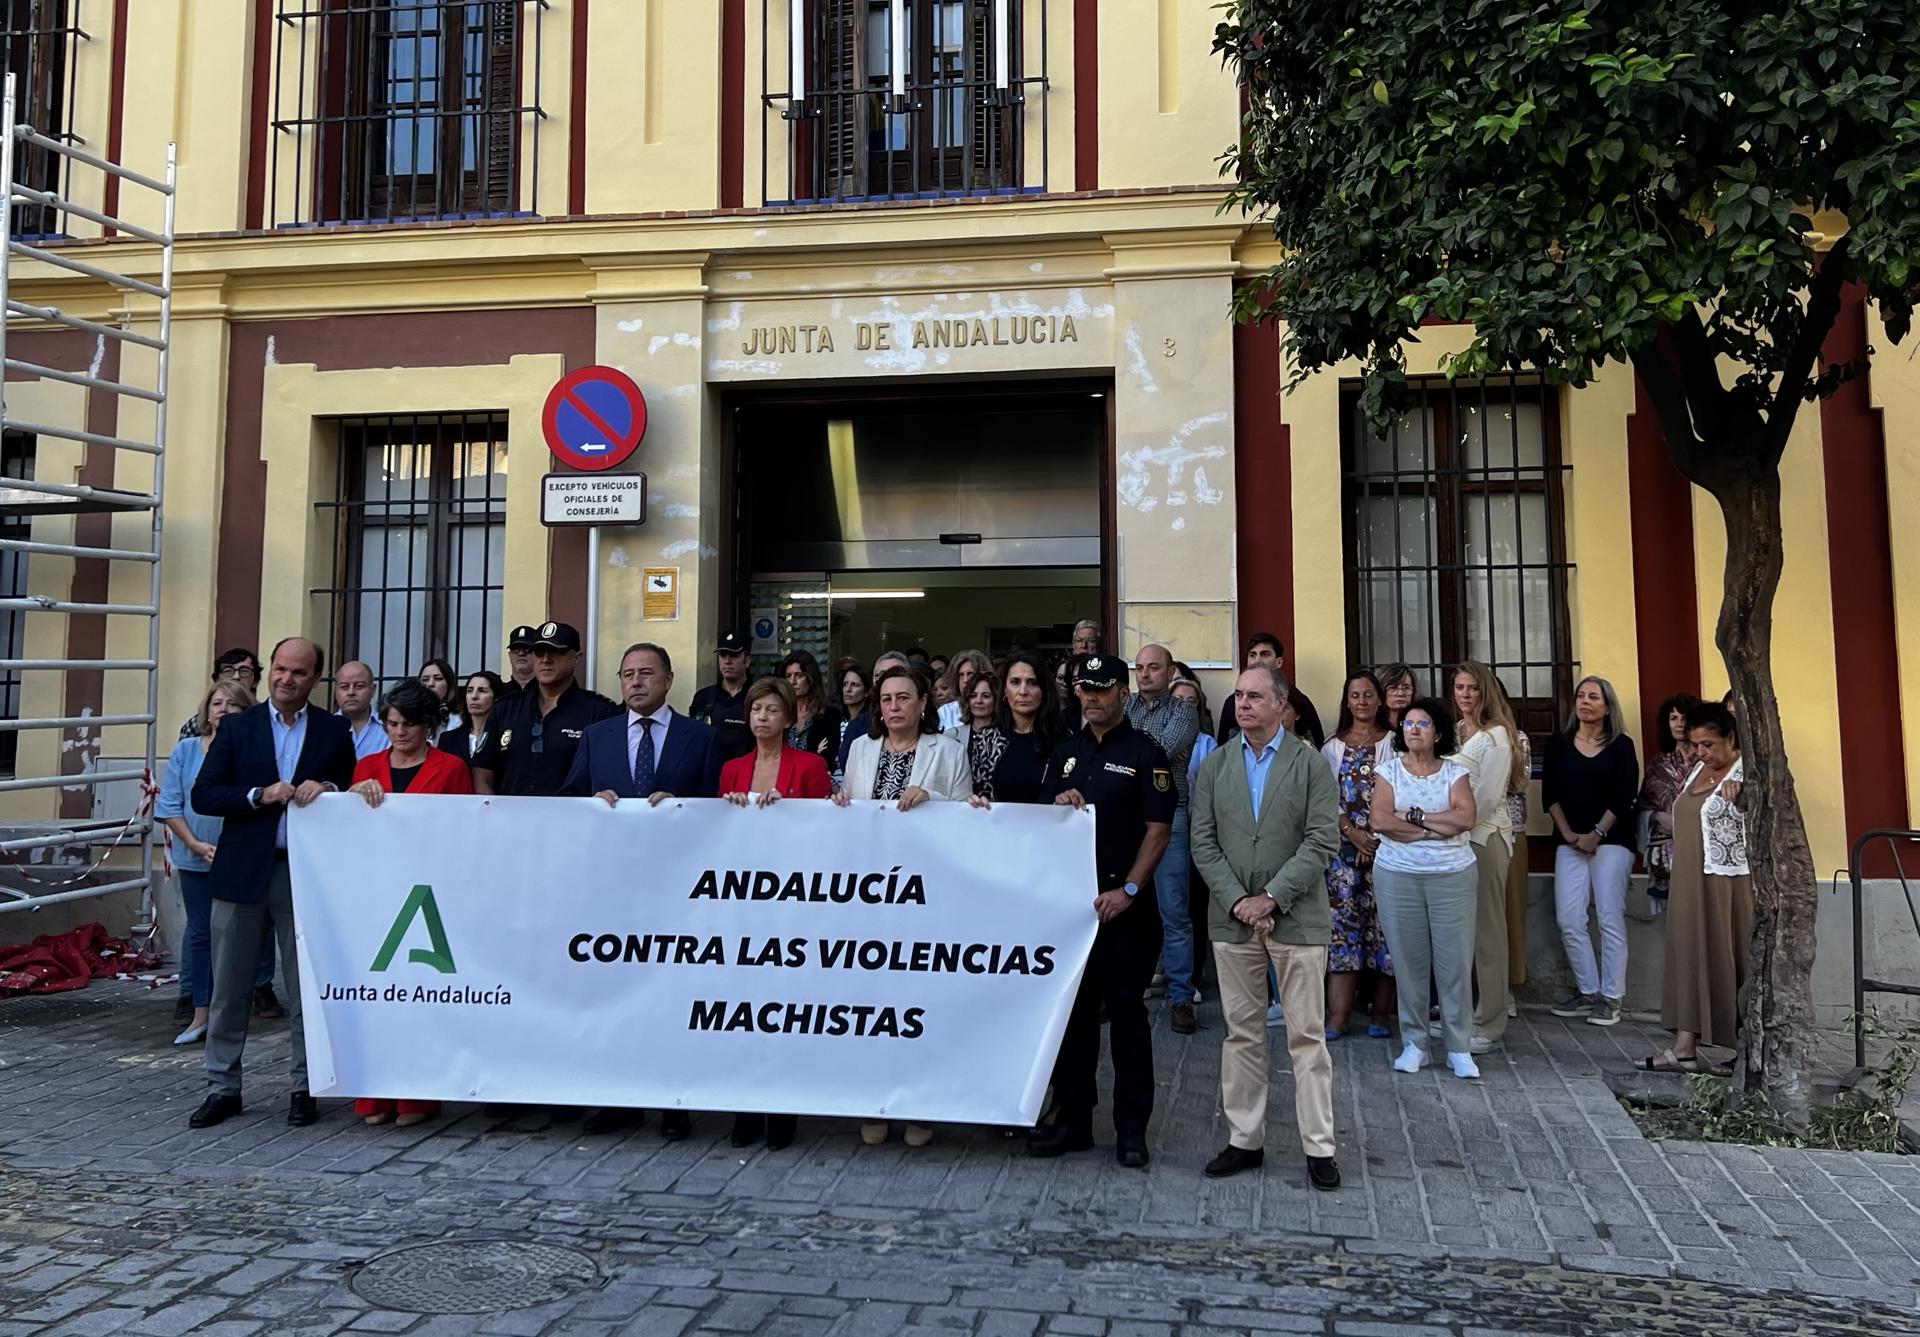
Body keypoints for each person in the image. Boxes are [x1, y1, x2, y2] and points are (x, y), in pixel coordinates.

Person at [186, 637, 357, 1130]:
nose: (286, 679)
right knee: (230, 988)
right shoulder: (238, 727)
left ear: (314, 679)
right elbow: (205, 795)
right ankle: (223, 1088)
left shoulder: (333, 730)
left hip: (305, 874)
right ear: (269, 673)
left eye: (298, 673)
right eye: (280, 669)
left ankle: (305, 1087)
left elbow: (348, 790)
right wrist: (259, 794)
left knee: (305, 989)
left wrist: (328, 790)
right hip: (241, 872)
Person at [1189, 665, 1343, 1189]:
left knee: (1307, 1037)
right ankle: (1244, 1140)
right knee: (1242, 1036)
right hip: (1232, 923)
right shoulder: (1214, 765)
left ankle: (1318, 1147)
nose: (1243, 704)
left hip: (1296, 920)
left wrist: (1272, 897)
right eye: (1238, 696)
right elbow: (1202, 842)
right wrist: (1240, 902)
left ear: (1282, 705)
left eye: (1255, 696)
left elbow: (1323, 841)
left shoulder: (1310, 766)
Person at [561, 640, 719, 1139]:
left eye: (646, 673)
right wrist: (592, 800)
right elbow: (567, 801)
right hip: (613, 890)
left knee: (673, 995)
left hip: (680, 887)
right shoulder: (596, 735)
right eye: (627, 673)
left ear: (668, 679)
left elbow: (720, 809)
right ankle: (620, 1099)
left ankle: (674, 1100)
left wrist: (684, 807)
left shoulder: (702, 737)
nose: (635, 682)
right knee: (617, 995)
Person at [1032, 654, 1173, 1168]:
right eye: (1085, 689)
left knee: (1129, 1020)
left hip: (1123, 911)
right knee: (1073, 1021)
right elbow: (1041, 821)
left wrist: (1130, 890)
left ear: (1122, 691)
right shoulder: (1066, 752)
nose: (1092, 697)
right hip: (1072, 912)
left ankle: (1131, 1130)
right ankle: (1074, 1121)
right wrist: (1058, 803)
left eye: (1103, 689)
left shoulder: (1145, 752)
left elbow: (1158, 830)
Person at [836, 664, 970, 1147]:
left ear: (923, 703)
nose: (894, 707)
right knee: (871, 1005)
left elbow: (966, 820)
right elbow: (850, 812)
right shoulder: (859, 749)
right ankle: (874, 1099)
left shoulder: (949, 750)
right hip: (871, 894)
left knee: (916, 1006)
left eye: (904, 698)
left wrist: (931, 798)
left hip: (925, 894)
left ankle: (919, 1105)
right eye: (887, 699)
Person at [345, 678, 475, 1128]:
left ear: (429, 726)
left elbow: (462, 831)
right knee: (377, 997)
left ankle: (419, 1094)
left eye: (409, 724)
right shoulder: (365, 765)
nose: (399, 732)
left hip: (430, 894)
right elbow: (343, 827)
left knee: (422, 997)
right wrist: (351, 798)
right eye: (392, 723)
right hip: (377, 893)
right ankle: (373, 1095)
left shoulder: (452, 767)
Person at [716, 676, 834, 1152]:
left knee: (785, 1008)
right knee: (743, 1008)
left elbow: (825, 831)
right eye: (755, 710)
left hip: (793, 902)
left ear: (790, 718)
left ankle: (782, 1107)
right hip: (742, 903)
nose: (762, 718)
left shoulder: (810, 766)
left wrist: (790, 812)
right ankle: (745, 1105)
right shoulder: (731, 768)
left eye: (771, 710)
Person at [1368, 697, 1481, 1079]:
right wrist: (1436, 826)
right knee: (1409, 961)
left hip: (1453, 874)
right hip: (1398, 875)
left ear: (1438, 733)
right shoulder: (1388, 772)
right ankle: (1414, 1043)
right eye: (1408, 724)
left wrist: (1414, 819)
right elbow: (1381, 820)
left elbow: (1465, 818)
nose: (1413, 729)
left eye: (1423, 724)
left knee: (1454, 963)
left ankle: (1458, 1047)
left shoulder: (1455, 772)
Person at [1642, 701, 1750, 1073]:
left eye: (1708, 744)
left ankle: (1745, 1049)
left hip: (1728, 885)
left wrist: (1746, 793)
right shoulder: (1698, 771)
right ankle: (1683, 1048)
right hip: (1689, 881)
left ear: (1730, 738)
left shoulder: (1747, 772)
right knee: (1688, 956)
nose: (1700, 752)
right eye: (1696, 744)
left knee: (1731, 958)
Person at [158, 679, 255, 1046]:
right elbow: (168, 805)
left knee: (237, 936)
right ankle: (200, 1014)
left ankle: (232, 1011)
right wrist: (196, 845)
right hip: (194, 857)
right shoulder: (186, 750)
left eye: (232, 705)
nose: (223, 710)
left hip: (239, 856)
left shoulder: (250, 750)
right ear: (206, 710)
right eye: (217, 704)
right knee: (201, 933)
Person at [1543, 675, 1641, 1028]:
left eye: (1594, 697)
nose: (1585, 702)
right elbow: (1549, 793)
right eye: (1581, 696)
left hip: (1611, 841)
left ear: (1607, 706)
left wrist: (1597, 833)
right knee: (1569, 918)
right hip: (1569, 841)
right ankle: (1588, 992)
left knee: (1610, 917)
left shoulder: (1621, 746)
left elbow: (1625, 795)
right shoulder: (1559, 743)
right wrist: (1569, 833)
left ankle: (1612, 997)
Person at [1125, 644, 1201, 1034]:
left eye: (1153, 667)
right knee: (1128, 908)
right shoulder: (1127, 707)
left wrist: (1125, 759)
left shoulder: (1185, 711)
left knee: (1174, 911)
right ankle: (1125, 989)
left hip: (1170, 818)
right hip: (1127, 819)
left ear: (1170, 671)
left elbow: (1161, 753)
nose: (1145, 674)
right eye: (1139, 668)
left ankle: (1181, 998)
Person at [1448, 661, 1523, 1054]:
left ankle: (1490, 1023)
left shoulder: (1496, 735)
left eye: (1472, 688)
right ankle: (1468, 1014)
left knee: (1489, 932)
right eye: (1459, 687)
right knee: (1466, 933)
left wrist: (1446, 825)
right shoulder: (1460, 732)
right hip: (1461, 839)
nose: (1465, 694)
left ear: (1486, 692)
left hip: (1486, 837)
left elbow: (1489, 796)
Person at [1320, 670, 1395, 1040]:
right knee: (1344, 935)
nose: (1362, 702)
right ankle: (1338, 1017)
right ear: (1346, 701)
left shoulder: (1394, 743)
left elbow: (1404, 791)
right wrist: (1353, 834)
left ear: (1380, 700)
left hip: (1388, 851)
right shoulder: (1332, 746)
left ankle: (1381, 1015)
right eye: (1355, 695)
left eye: (1368, 695)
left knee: (1386, 934)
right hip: (1342, 855)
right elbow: (1323, 799)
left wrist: (1375, 839)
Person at [473, 622, 620, 799]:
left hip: (573, 821)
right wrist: (494, 813)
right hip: (511, 821)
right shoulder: (504, 709)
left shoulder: (599, 712)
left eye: (556, 652)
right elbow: (482, 772)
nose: (546, 659)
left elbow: (609, 774)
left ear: (576, 658)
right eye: (539, 652)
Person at [970, 653, 1069, 805]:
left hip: (1048, 826)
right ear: (1004, 690)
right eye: (1015, 682)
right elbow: (979, 794)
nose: (1023, 691)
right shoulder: (986, 740)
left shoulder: (1064, 738)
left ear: (1044, 690)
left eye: (1032, 683)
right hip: (997, 827)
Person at [1636, 692, 1702, 903]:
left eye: (1684, 717)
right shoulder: (1658, 766)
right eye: (1673, 718)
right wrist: (1655, 817)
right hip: (1668, 857)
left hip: (1703, 850)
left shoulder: (1708, 762)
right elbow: (1642, 805)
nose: (1679, 724)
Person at [1494, 675, 1532, 1008]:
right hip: (1462, 832)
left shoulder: (1516, 739)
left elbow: (1518, 783)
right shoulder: (1455, 734)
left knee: (1508, 910)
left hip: (1510, 831)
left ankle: (1504, 987)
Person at [1217, 633, 1324, 748]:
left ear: (1278, 662)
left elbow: (1316, 745)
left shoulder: (1295, 699)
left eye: (1265, 654)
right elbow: (1223, 749)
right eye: (1252, 655)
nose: (1257, 660)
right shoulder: (1233, 702)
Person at [835, 649, 910, 773]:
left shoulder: (940, 743)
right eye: (878, 675)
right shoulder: (857, 727)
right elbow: (849, 772)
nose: (884, 680)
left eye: (893, 674)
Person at [689, 629, 753, 762]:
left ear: (747, 660)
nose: (727, 661)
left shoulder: (758, 697)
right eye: (723, 655)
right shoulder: (703, 698)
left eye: (734, 655)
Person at [777, 649, 842, 768]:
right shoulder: (778, 714)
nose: (793, 681)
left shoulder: (829, 715)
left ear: (811, 678)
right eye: (788, 676)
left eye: (799, 675)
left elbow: (826, 759)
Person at [179, 647, 261, 740]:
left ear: (256, 681)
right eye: (228, 671)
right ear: (217, 679)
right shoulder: (196, 725)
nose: (236, 677)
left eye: (244, 671)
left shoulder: (266, 720)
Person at [439, 670, 505, 769]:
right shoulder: (448, 739)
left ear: (495, 697)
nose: (474, 696)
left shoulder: (505, 740)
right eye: (469, 690)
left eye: (482, 690)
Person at [956, 670, 1002, 793]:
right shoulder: (952, 735)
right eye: (973, 695)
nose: (978, 701)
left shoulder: (1006, 737)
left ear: (996, 700)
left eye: (986, 696)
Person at [333, 660, 389, 762]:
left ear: (373, 690)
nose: (351, 692)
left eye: (359, 686)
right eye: (344, 687)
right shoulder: (324, 729)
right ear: (336, 690)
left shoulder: (389, 729)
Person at [935, 649, 992, 732]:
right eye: (961, 674)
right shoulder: (945, 712)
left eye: (970, 674)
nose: (965, 680)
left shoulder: (994, 710)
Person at [416, 658, 458, 743]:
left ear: (449, 684)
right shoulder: (409, 715)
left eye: (438, 678)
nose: (431, 684)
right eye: (425, 680)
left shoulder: (457, 720)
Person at [500, 624, 537, 699]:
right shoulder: (499, 693)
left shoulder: (547, 692)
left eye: (527, 649)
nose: (521, 653)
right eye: (516, 649)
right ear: (510, 655)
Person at [1375, 664, 1416, 729]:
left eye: (1406, 688)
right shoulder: (1372, 724)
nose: (1400, 693)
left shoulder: (1421, 723)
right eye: (1393, 688)